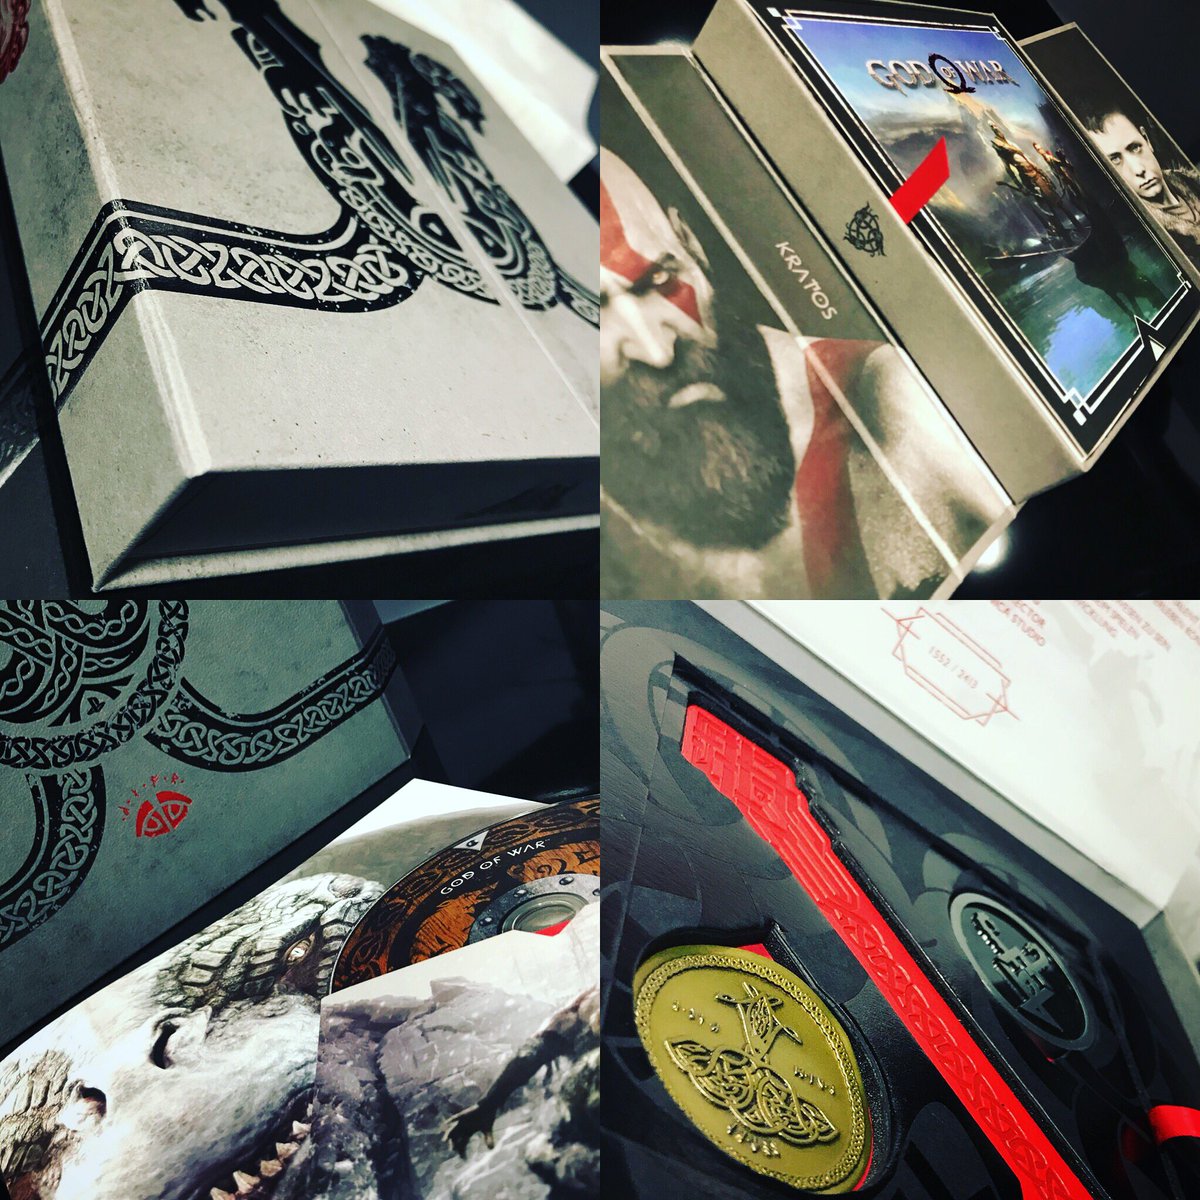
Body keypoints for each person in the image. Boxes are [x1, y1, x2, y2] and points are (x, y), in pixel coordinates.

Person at [599, 147, 1006, 599]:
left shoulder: (896, 406)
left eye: (659, 281)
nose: (656, 351)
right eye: (600, 314)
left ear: (691, 247)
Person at [1080, 107, 1200, 262]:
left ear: (1147, 140)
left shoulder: (1191, 181)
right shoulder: (1147, 237)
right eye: (1115, 159)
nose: (1138, 169)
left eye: (1135, 147)